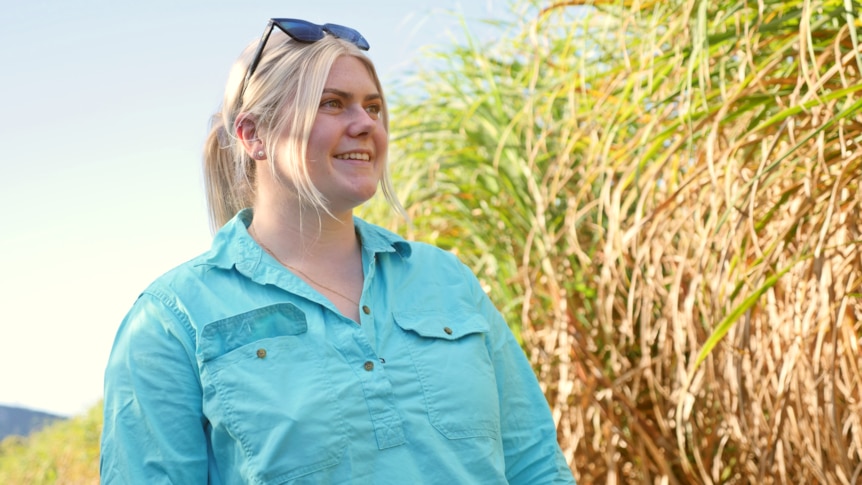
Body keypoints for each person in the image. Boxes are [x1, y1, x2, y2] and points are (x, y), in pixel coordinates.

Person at [100, 17, 576, 484]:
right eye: (332, 104)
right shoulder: (171, 319)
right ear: (253, 136)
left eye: (373, 107)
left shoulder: (443, 278)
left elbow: (535, 465)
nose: (365, 124)